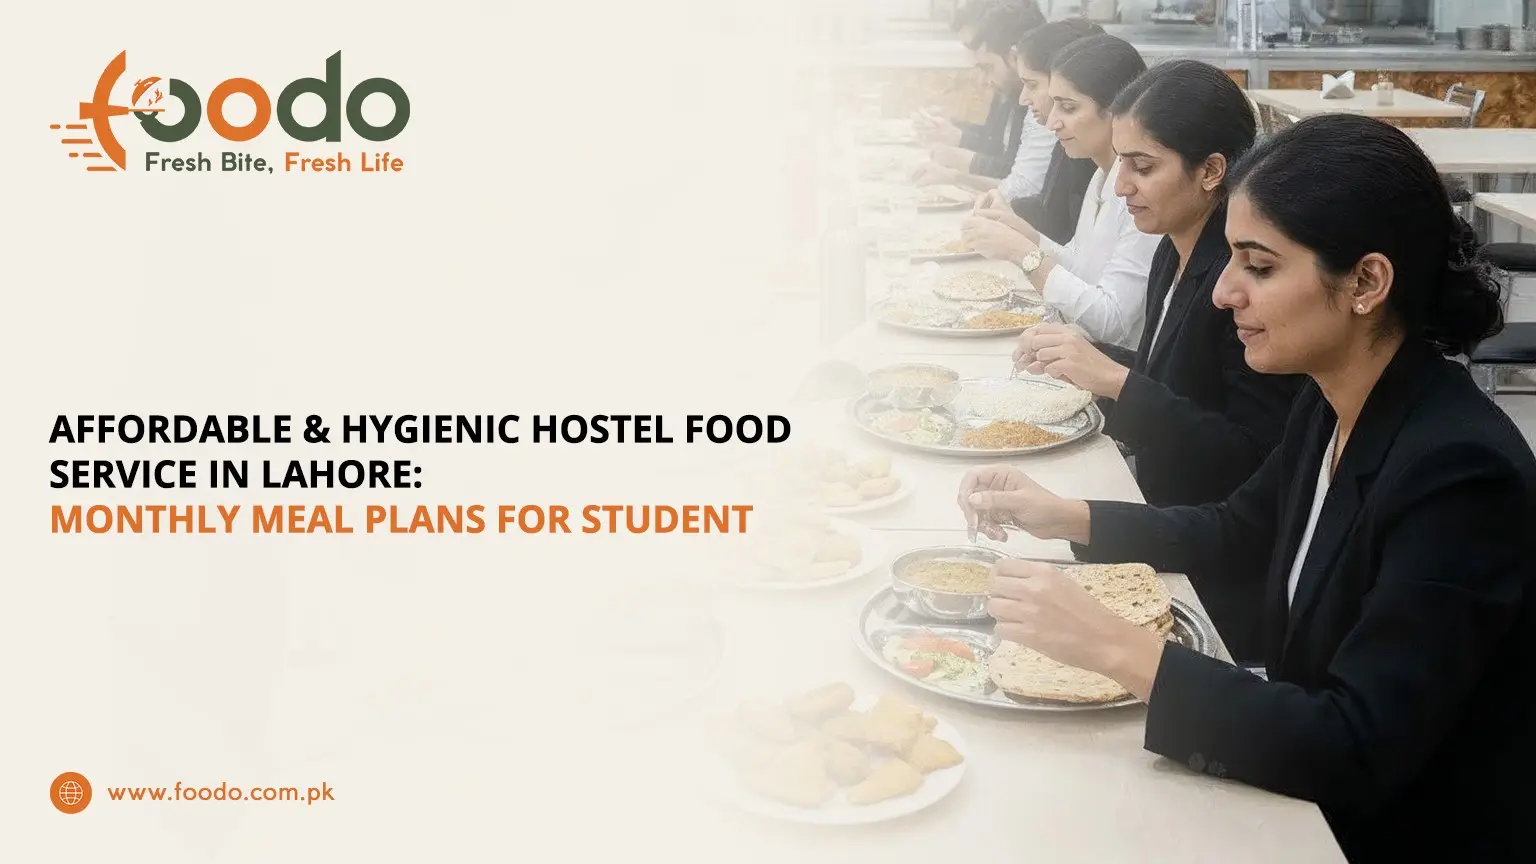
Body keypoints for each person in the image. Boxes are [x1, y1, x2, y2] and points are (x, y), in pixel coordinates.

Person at [957, 114, 1534, 862]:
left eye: (1259, 267)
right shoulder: (1335, 399)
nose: (1225, 293)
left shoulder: (1459, 473)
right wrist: (1060, 514)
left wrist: (1113, 647)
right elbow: (1235, 529)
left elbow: (1354, 744)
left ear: (1366, 281)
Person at [1011, 59, 1304, 661]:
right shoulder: (1172, 246)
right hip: (1168, 511)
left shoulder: (1240, 276)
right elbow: (1173, 379)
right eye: (1120, 162)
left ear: (1212, 171)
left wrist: (1116, 380)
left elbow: (1249, 457)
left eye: (1142, 167)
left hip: (1212, 559)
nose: (1120, 186)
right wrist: (1085, 362)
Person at [961, 34, 1161, 353]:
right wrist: (1027, 235)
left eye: (1067, 107)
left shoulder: (1141, 192)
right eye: (1053, 104)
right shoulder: (1100, 175)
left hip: (1118, 369)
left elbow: (1112, 323)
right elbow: (1085, 267)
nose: (1053, 122)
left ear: (1117, 110)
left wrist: (1023, 254)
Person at [972, 18, 1101, 246]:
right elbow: (1054, 215)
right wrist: (1007, 211)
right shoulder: (1070, 141)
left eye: (1032, 85)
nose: (1023, 99)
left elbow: (1063, 236)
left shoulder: (1094, 157)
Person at [914, 2, 1051, 193]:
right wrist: (956, 135)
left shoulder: (1036, 101)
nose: (972, 52)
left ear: (1013, 57)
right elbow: (996, 144)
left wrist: (957, 167)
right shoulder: (1013, 90)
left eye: (972, 44)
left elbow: (1015, 178)